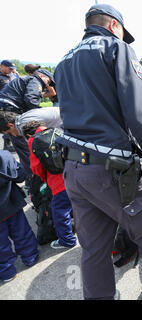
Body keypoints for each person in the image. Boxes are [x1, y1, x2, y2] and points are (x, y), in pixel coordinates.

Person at [54, 3, 142, 300]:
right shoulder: (115, 49)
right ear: (113, 26)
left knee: (93, 248)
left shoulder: (62, 61)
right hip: (112, 170)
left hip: (75, 169)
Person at [22, 121, 77, 249]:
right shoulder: (57, 130)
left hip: (59, 182)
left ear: (29, 135)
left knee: (59, 211)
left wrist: (45, 180)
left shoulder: (33, 140)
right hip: (76, 174)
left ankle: (67, 240)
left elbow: (36, 168)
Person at [0, 70, 56, 177]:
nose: (48, 84)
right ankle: (35, 176)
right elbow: (31, 100)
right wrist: (38, 114)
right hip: (11, 113)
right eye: (48, 81)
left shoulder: (26, 80)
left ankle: (31, 175)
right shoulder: (35, 80)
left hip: (6, 112)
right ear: (41, 76)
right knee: (28, 147)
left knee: (22, 148)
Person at [0, 150, 39, 282]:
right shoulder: (3, 156)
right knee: (21, 232)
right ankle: (30, 257)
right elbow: (21, 176)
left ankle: (6, 272)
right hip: (10, 203)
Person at [0, 60, 19, 153]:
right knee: (5, 124)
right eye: (10, 68)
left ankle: (11, 144)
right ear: (2, 66)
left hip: (14, 104)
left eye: (13, 69)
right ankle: (7, 145)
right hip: (2, 105)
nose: (11, 70)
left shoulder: (13, 75)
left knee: (13, 124)